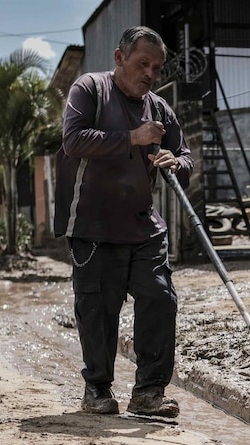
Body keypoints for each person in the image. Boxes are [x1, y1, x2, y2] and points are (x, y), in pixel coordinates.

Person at [54, 26, 193, 419]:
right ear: (119, 58)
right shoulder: (90, 89)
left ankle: (149, 392)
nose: (149, 73)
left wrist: (174, 163)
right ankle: (97, 388)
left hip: (145, 227)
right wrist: (132, 137)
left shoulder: (160, 108)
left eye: (156, 67)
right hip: (92, 227)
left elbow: (184, 156)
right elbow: (74, 140)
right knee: (98, 309)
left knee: (160, 299)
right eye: (142, 64)